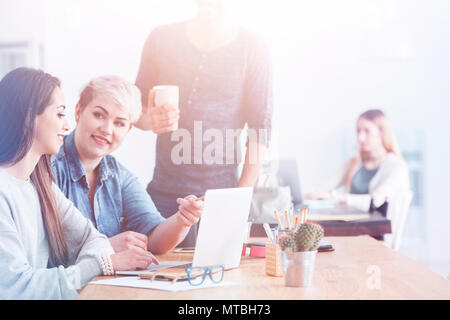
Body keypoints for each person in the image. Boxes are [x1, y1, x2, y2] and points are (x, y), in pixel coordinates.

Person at [0, 68, 157, 300]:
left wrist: (92, 265)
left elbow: (92, 240)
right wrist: (101, 264)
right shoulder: (4, 193)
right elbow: (17, 289)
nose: (66, 126)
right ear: (27, 116)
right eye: (59, 114)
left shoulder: (40, 183)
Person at [135, 0, 273, 246]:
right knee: (155, 276)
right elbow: (135, 109)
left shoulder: (252, 47)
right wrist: (149, 120)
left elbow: (259, 128)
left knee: (221, 279)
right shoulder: (161, 38)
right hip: (163, 196)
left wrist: (239, 200)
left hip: (221, 199)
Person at [51, 75, 203, 255]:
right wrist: (105, 248)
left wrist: (182, 220)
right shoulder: (49, 167)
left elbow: (155, 240)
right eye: (99, 115)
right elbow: (48, 251)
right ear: (78, 112)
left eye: (119, 123)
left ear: (128, 130)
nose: (107, 129)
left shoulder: (120, 176)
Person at [305, 109, 410, 215]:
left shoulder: (396, 166)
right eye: (358, 131)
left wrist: (337, 198)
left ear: (381, 133)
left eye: (367, 131)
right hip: (350, 224)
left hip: (374, 229)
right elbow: (324, 188)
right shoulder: (353, 163)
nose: (360, 137)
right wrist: (309, 195)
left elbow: (376, 201)